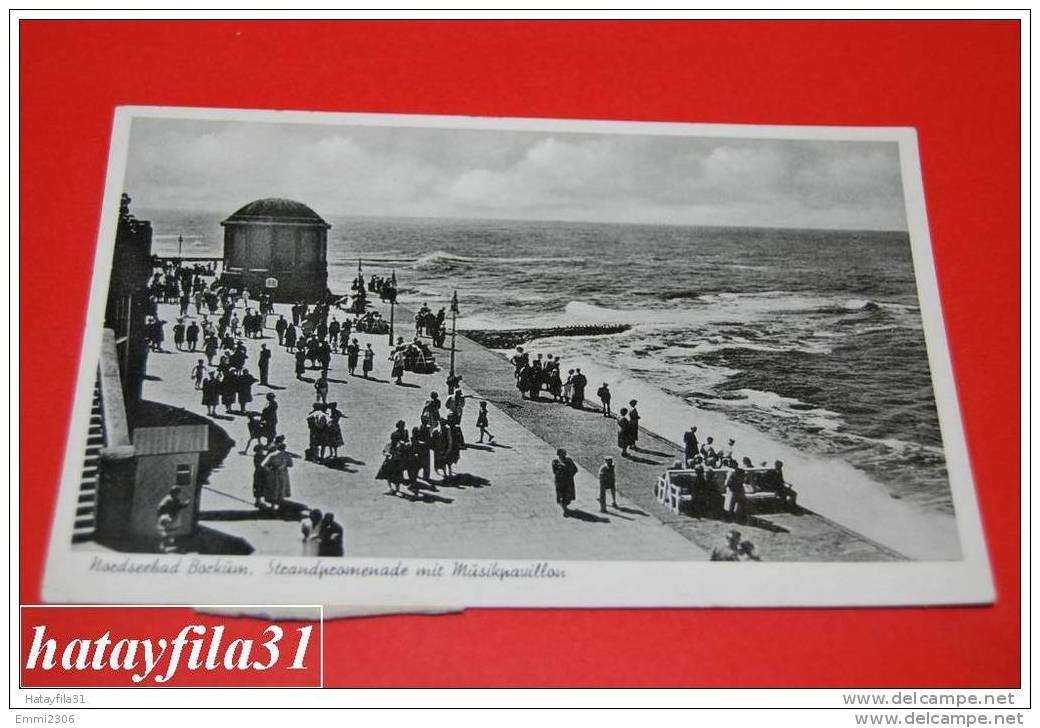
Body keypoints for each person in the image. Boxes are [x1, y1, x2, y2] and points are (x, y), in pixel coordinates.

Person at [261, 442, 293, 512]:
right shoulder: (287, 455)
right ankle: (280, 507)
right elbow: (291, 465)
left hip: (274, 475)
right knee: (281, 490)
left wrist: (269, 470)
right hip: (284, 475)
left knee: (274, 490)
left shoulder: (272, 455)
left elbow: (263, 464)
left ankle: (273, 506)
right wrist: (283, 465)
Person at [552, 448, 578, 517]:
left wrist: (570, 475)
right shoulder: (555, 462)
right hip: (560, 482)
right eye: (562, 454)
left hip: (568, 482)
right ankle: (565, 510)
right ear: (559, 454)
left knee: (567, 498)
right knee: (561, 497)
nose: (563, 455)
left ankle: (565, 508)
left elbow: (575, 469)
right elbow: (555, 471)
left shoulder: (569, 460)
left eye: (564, 453)